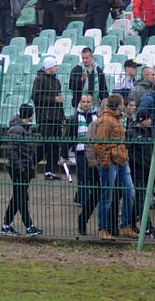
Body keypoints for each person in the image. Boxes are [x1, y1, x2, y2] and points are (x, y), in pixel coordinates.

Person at [94, 94, 137, 240]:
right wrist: (106, 162)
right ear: (119, 105)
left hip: (121, 159)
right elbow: (99, 144)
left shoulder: (118, 118)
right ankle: (103, 228)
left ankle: (125, 225)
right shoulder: (106, 120)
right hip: (111, 161)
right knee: (107, 197)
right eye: (122, 103)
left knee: (130, 192)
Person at [1, 103, 42, 236]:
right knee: (21, 198)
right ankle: (28, 226)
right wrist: (20, 168)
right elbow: (12, 151)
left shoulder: (23, 128)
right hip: (19, 169)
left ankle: (6, 224)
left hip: (24, 167)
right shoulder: (17, 129)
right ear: (30, 115)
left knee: (18, 197)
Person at [63, 93, 100, 236]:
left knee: (92, 179)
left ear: (92, 103)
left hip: (95, 152)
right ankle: (84, 201)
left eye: (88, 101)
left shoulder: (96, 116)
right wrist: (64, 154)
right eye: (83, 101)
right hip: (81, 152)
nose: (85, 104)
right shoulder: (75, 118)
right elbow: (69, 136)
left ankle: (83, 198)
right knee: (83, 179)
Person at [32, 56, 65, 181]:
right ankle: (30, 164)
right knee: (46, 144)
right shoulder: (39, 79)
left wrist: (62, 116)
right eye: (55, 65)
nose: (57, 67)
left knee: (55, 145)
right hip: (45, 117)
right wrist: (53, 100)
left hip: (56, 117)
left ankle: (49, 170)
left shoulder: (56, 81)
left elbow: (59, 101)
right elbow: (36, 97)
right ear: (49, 67)